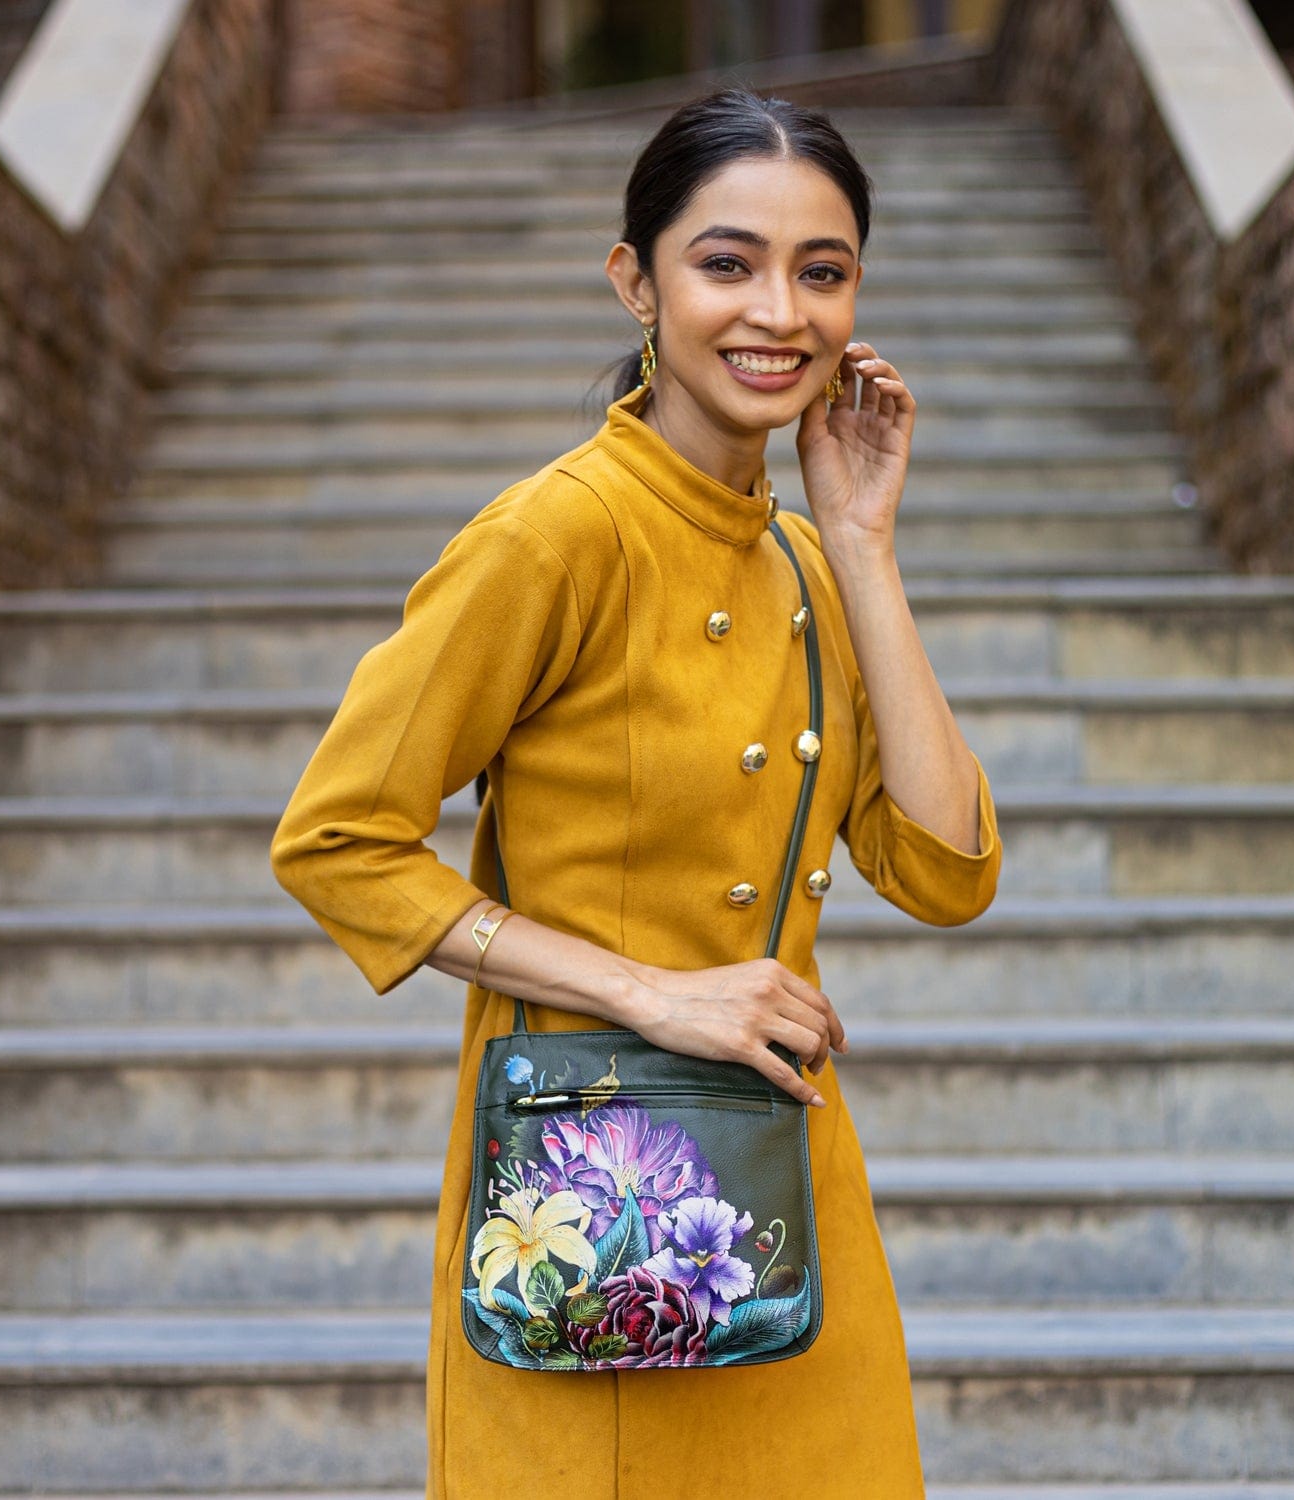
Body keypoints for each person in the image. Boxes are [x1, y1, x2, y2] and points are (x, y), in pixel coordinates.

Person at [269, 85, 1002, 1500]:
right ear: (639, 284)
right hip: (591, 1195)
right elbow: (337, 841)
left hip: (784, 1192)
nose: (778, 310)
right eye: (727, 263)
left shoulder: (802, 560)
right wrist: (657, 994)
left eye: (823, 270)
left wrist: (861, 545)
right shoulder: (556, 534)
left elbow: (947, 869)